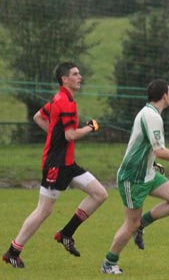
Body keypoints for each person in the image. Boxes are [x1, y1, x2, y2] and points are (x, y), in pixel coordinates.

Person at [3, 62, 108, 268]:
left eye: (79, 73)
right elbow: (71, 135)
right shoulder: (65, 102)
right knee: (43, 211)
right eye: (75, 74)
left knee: (100, 194)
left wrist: (54, 136)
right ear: (64, 79)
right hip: (56, 165)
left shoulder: (61, 98)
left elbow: (39, 117)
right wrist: (90, 127)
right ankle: (13, 252)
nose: (80, 77)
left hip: (68, 164)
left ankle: (66, 234)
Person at [101, 79, 169, 275]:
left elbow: (142, 146)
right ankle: (109, 263)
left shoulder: (150, 114)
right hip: (132, 178)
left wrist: (152, 163)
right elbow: (160, 150)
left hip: (147, 173)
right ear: (164, 95)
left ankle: (142, 225)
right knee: (131, 224)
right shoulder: (151, 116)